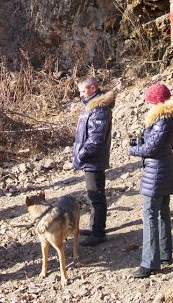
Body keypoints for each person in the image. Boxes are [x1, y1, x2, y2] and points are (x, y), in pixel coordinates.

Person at [128, 83, 173, 278]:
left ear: (157, 102)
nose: (148, 106)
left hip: (156, 172)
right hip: (165, 169)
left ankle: (149, 263)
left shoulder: (162, 120)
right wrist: (143, 141)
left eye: (150, 102)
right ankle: (164, 253)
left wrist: (133, 149)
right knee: (162, 213)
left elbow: (151, 149)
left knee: (150, 215)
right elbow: (171, 144)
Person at [71, 76, 116, 247]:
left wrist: (81, 154)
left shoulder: (98, 109)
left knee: (96, 195)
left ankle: (98, 233)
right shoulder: (93, 106)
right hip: (92, 159)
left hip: (93, 160)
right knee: (93, 195)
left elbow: (96, 138)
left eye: (83, 91)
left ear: (92, 88)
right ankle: (95, 227)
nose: (81, 95)